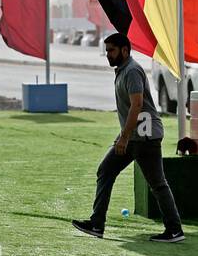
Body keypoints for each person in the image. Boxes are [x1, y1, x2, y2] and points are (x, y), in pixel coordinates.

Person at [72, 32, 184, 242]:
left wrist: (123, 138)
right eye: (106, 51)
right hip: (134, 135)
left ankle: (175, 230)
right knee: (106, 171)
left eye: (111, 50)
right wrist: (123, 136)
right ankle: (97, 224)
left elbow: (137, 105)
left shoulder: (132, 71)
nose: (108, 55)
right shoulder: (123, 71)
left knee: (157, 184)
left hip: (145, 137)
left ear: (125, 50)